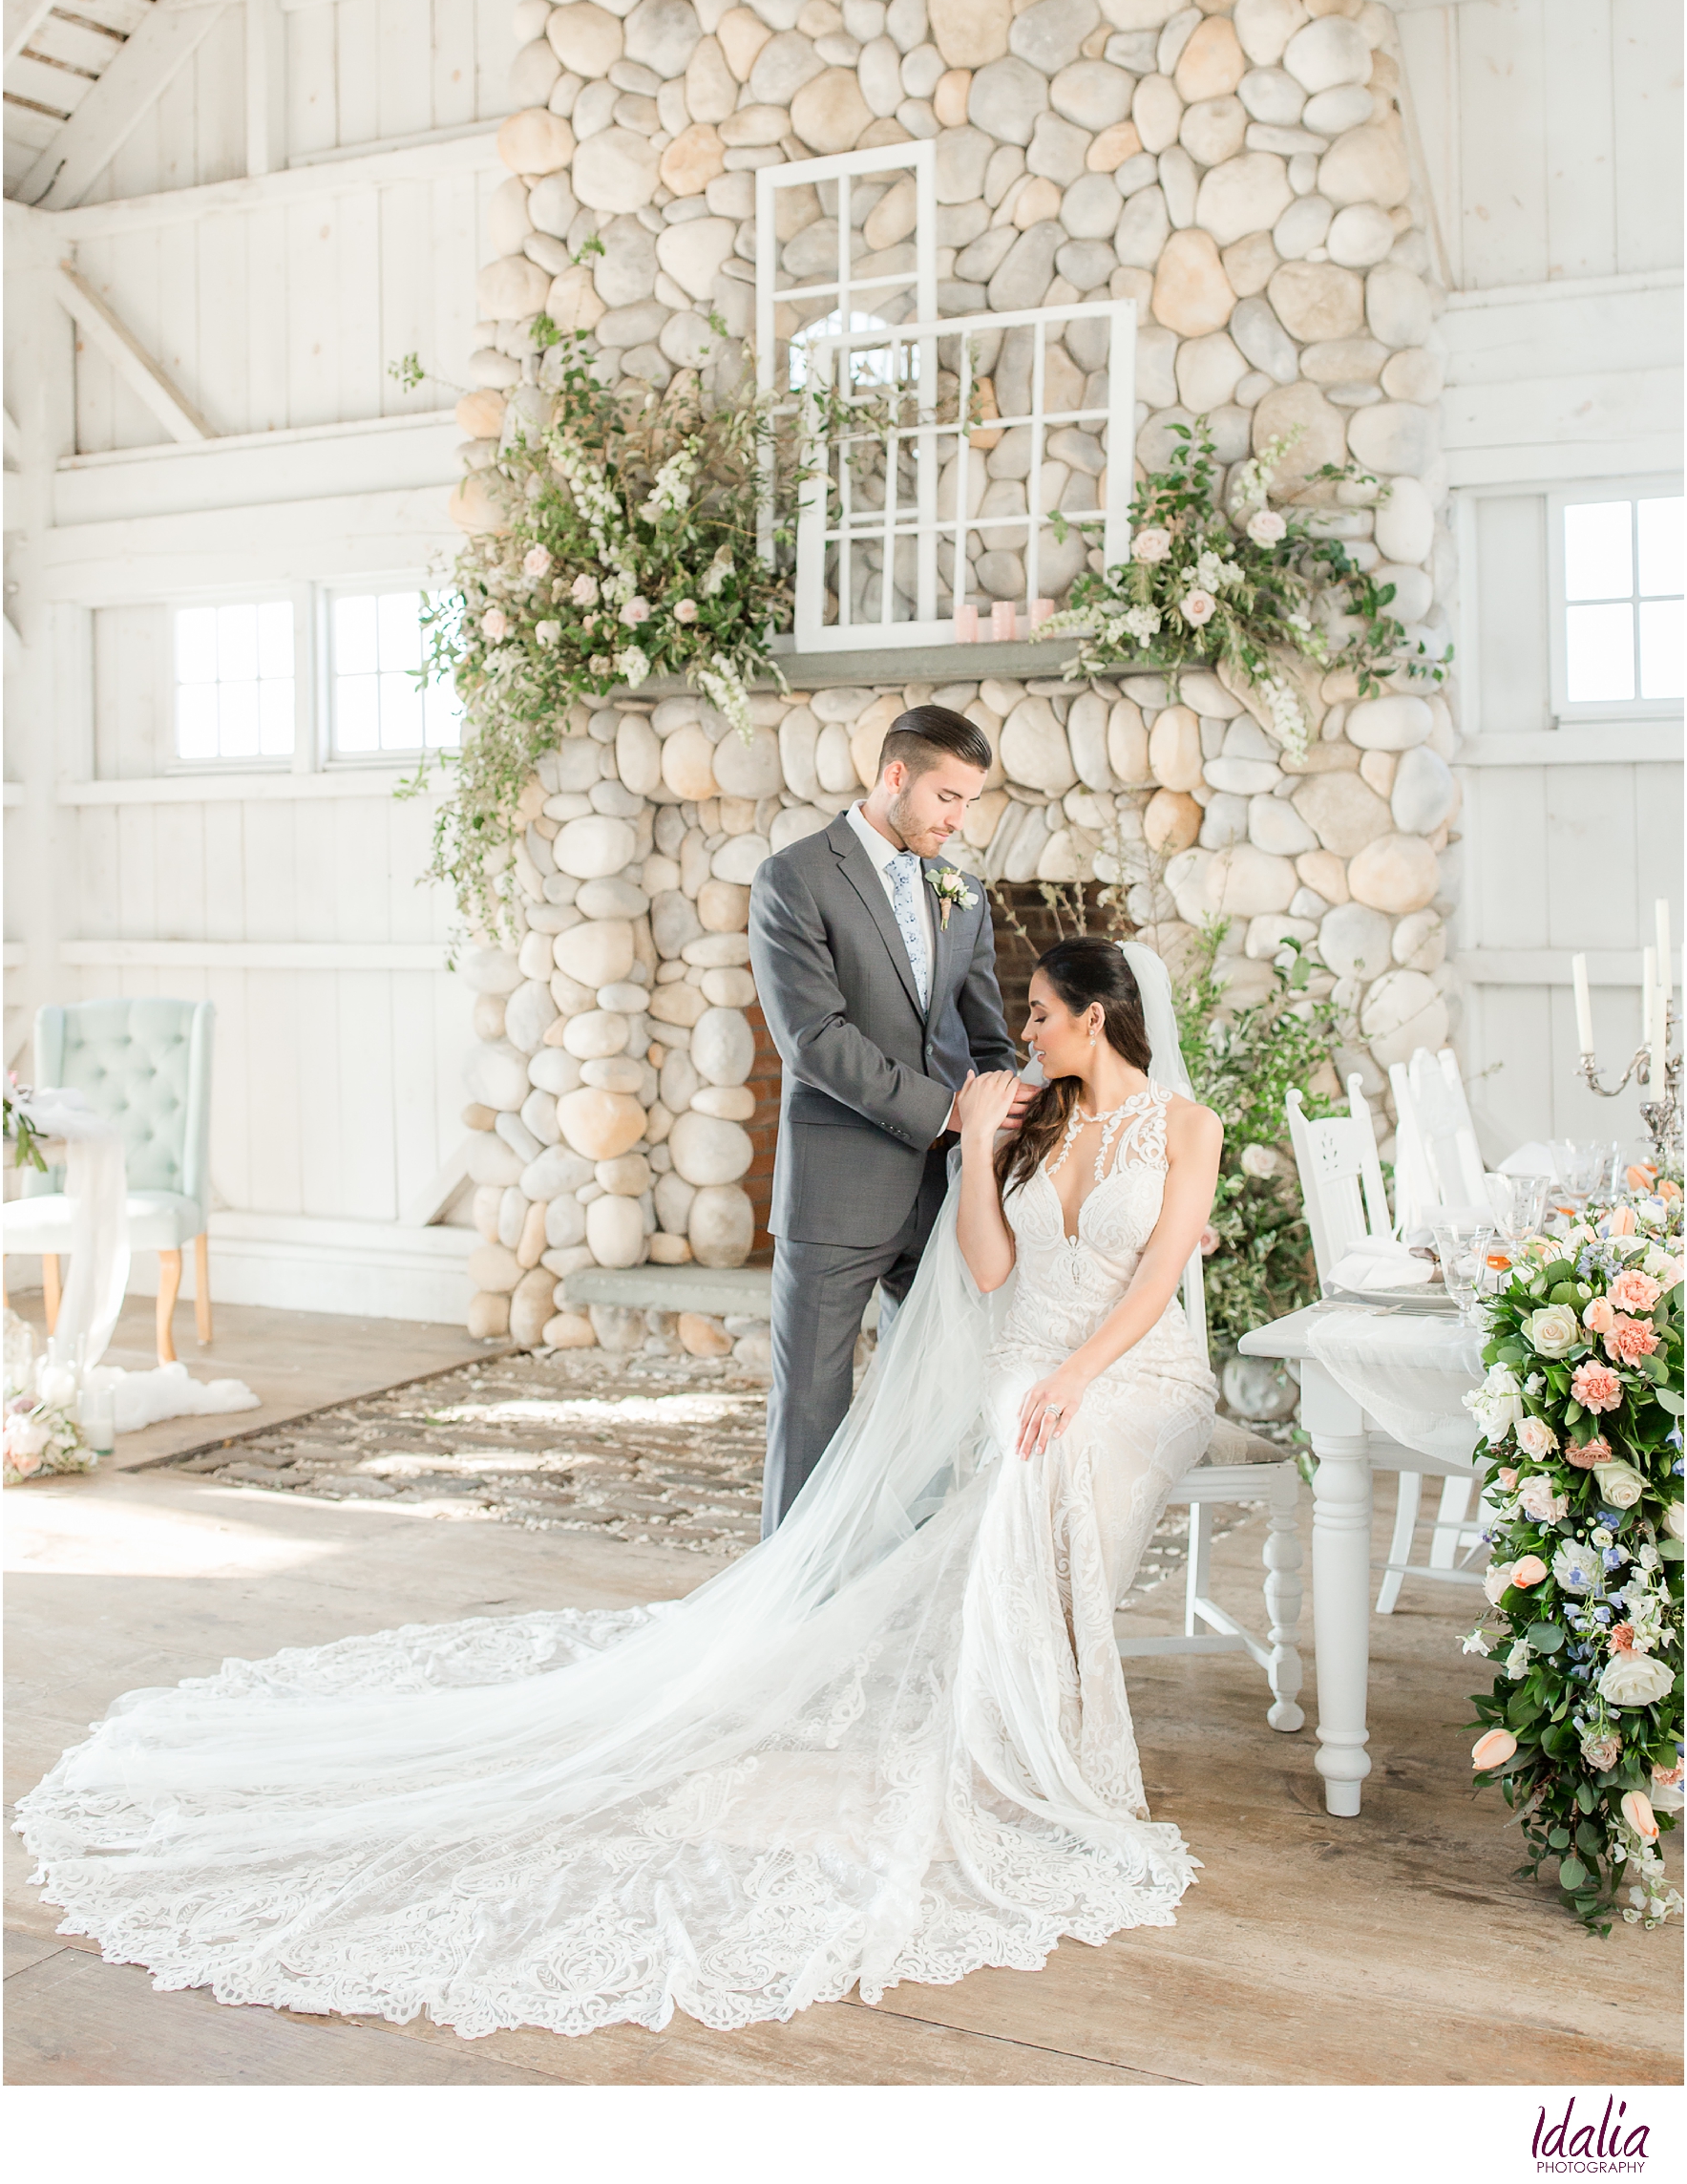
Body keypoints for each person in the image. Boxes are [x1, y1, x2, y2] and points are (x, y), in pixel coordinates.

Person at [16, 938, 1223, 2043]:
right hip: (1030, 1364)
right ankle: (1032, 1741)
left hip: (1137, 1367)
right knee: (1028, 1438)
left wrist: (1072, 1378)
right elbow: (991, 1266)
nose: (1027, 1030)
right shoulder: (1032, 1122)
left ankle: (1048, 1741)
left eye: (1043, 1013)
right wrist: (970, 1151)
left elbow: (1162, 1268)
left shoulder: (1185, 1125)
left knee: (1047, 1443)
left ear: (1100, 1017)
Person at [748, 703, 1024, 1534]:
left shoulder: (961, 892)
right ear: (895, 776)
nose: (958, 818)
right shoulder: (794, 877)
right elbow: (814, 1040)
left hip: (944, 1194)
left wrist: (1006, 1120)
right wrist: (949, 1113)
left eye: (970, 801)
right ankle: (788, 1616)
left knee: (932, 1399)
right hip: (839, 1190)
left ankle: (899, 1591)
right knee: (811, 1409)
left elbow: (987, 1037)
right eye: (947, 795)